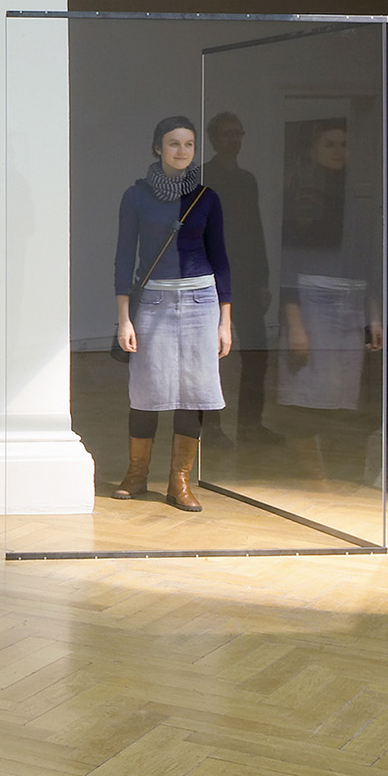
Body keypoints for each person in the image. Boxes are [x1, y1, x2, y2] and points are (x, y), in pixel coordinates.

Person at [112, 116, 233, 512]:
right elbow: (123, 258)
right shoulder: (136, 196)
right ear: (157, 148)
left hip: (201, 301)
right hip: (154, 302)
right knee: (145, 390)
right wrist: (124, 318)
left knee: (193, 392)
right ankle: (136, 474)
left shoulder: (207, 197)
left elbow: (220, 259)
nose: (182, 151)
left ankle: (179, 481)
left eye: (189, 144)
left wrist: (225, 320)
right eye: (174, 143)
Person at [276, 120, 383, 480]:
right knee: (306, 396)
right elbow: (289, 263)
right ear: (313, 150)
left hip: (351, 303)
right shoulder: (300, 196)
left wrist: (373, 315)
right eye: (330, 144)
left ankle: (342, 477)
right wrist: (295, 325)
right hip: (312, 303)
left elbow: (367, 260)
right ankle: (316, 481)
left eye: (343, 144)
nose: (338, 151)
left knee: (342, 399)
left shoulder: (355, 198)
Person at [202, 112, 283, 446]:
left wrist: (263, 279)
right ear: (213, 138)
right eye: (226, 133)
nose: (233, 139)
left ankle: (250, 425)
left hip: (247, 277)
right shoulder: (203, 177)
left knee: (256, 352)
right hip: (211, 275)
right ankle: (210, 427)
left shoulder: (248, 180)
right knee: (211, 353)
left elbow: (254, 229)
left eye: (238, 133)